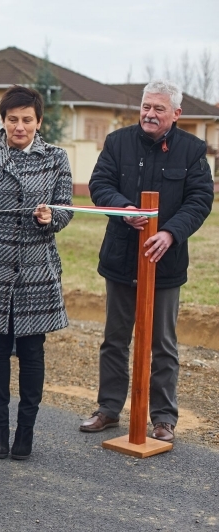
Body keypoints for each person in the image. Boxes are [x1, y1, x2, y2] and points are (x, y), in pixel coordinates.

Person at [80, 80, 213, 443]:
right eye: (146, 107)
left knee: (163, 344)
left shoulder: (192, 151)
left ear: (176, 114)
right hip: (121, 259)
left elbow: (200, 200)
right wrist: (124, 209)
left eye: (158, 109)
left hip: (165, 264)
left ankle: (163, 418)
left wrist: (170, 233)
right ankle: (108, 409)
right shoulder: (117, 142)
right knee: (115, 339)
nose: (150, 114)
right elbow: (100, 184)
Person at [0, 85, 73, 461]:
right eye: (12, 120)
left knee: (32, 350)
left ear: (39, 122)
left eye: (26, 120)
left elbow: (67, 208)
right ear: (3, 120)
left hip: (36, 267)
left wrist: (50, 217)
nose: (19, 127)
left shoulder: (56, 158)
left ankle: (26, 430)